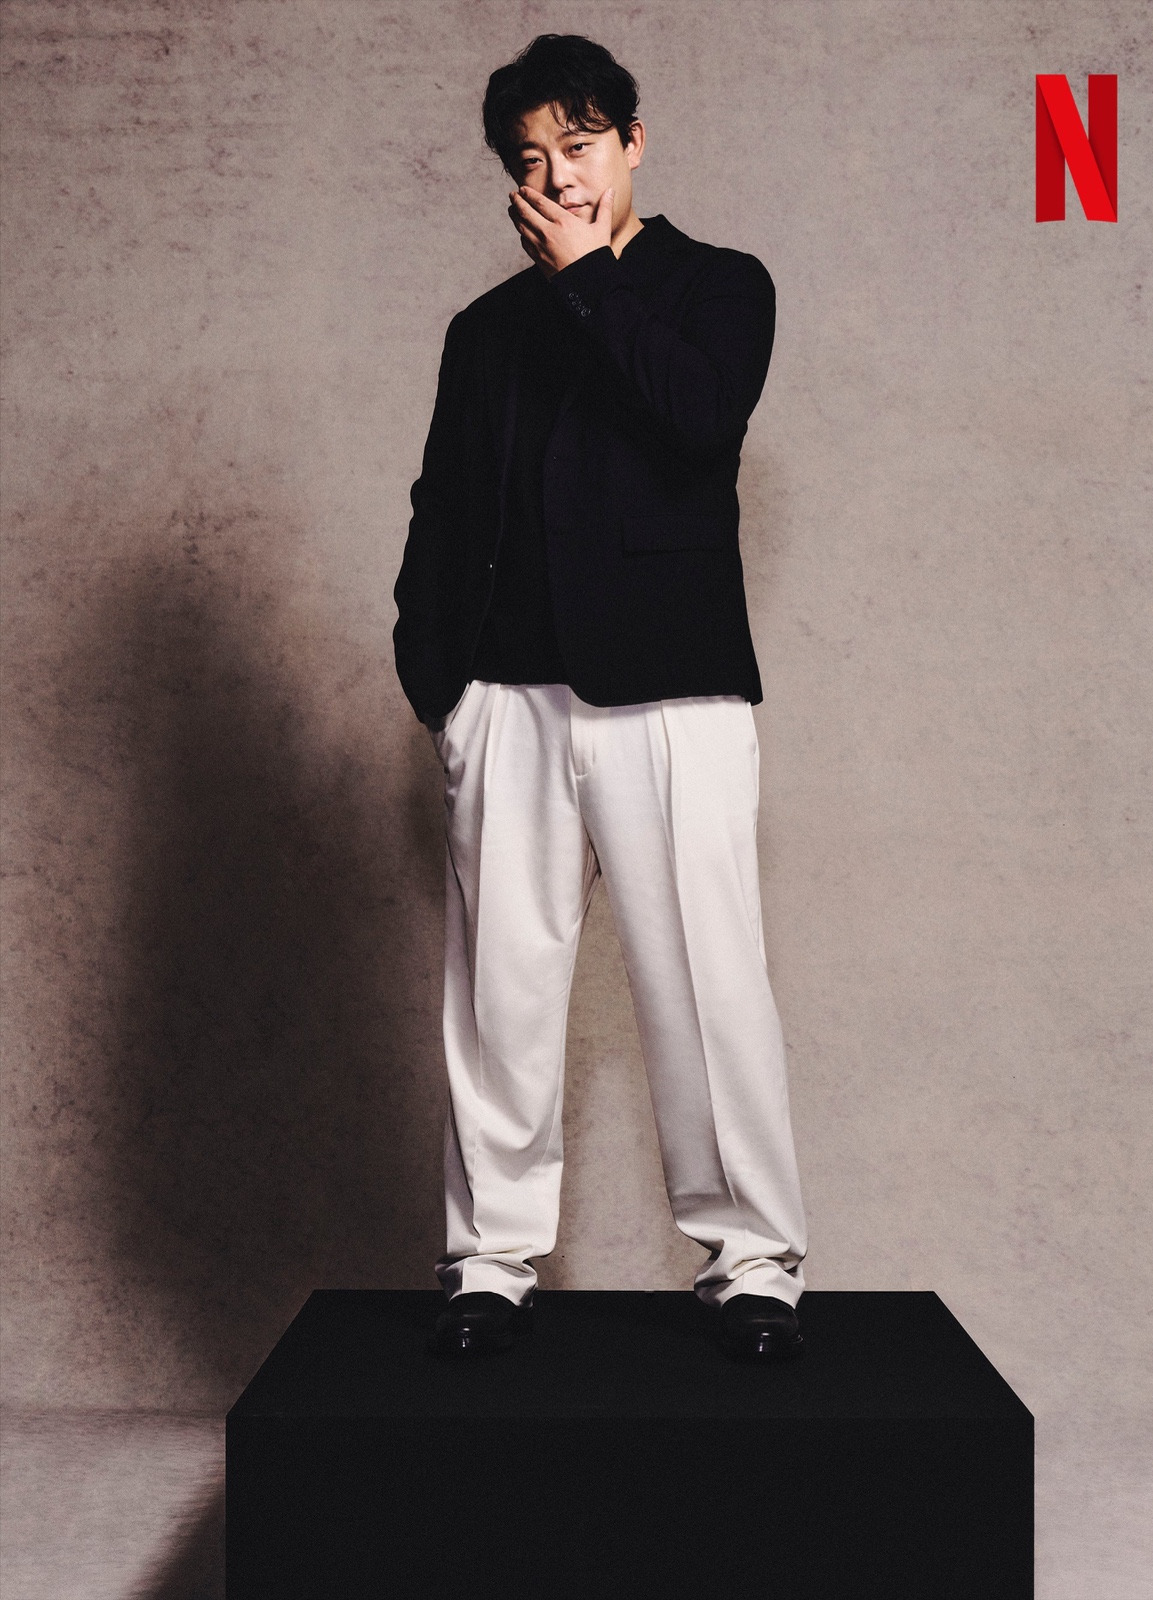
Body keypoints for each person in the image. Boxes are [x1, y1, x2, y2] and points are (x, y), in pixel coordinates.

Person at [393, 33, 808, 1362]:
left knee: (707, 986)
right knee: (499, 998)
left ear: (632, 143)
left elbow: (698, 419)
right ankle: (487, 1261)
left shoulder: (718, 287)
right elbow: (442, 511)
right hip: (507, 699)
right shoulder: (483, 333)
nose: (556, 177)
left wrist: (587, 280)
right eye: (530, 160)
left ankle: (754, 1264)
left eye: (577, 146)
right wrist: (442, 687)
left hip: (671, 694)